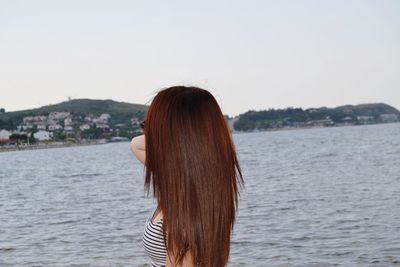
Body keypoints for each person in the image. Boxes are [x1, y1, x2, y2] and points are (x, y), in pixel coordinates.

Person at [130, 86, 244, 267]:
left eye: (152, 125)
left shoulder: (183, 218)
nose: (147, 131)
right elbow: (136, 145)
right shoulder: (189, 183)